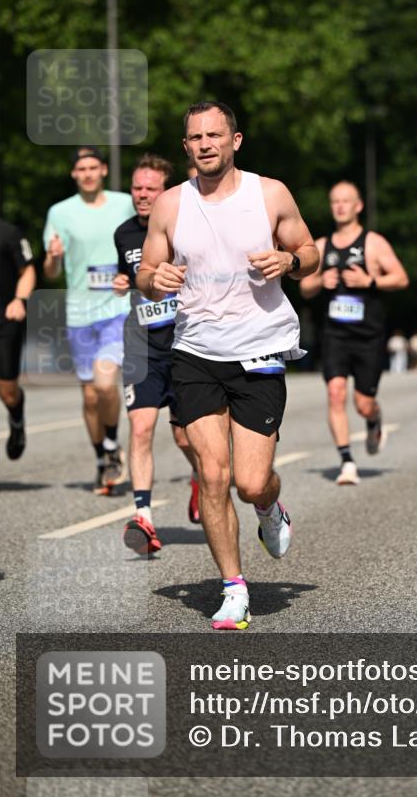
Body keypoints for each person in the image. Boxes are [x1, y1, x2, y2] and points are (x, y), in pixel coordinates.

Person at [136, 101, 318, 630]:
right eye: (196, 137)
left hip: (259, 347)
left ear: (235, 141)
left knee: (250, 480)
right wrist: (155, 279)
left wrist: (289, 260)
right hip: (195, 351)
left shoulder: (270, 194)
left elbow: (310, 251)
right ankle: (234, 588)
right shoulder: (171, 204)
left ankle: (269, 508)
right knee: (210, 475)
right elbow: (148, 269)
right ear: (186, 147)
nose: (206, 144)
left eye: (216, 134)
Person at [113, 155, 200, 554]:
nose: (142, 195)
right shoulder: (124, 234)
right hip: (142, 346)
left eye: (151, 188)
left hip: (184, 345)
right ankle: (143, 516)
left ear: (166, 191)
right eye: (136, 188)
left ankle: (201, 479)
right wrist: (121, 280)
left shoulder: (188, 224)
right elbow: (130, 275)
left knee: (186, 437)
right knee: (142, 428)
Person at [299, 181, 409, 486]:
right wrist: (321, 280)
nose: (340, 206)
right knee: (335, 393)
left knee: (363, 403)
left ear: (358, 206)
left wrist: (369, 281)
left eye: (346, 201)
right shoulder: (321, 246)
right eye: (335, 201)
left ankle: (374, 418)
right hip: (334, 334)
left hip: (369, 336)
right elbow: (304, 288)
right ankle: (347, 460)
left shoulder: (373, 242)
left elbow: (401, 278)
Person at [43, 147, 134, 494]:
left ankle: (111, 445)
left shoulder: (124, 203)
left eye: (93, 167)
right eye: (81, 168)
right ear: (74, 174)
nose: (88, 173)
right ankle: (102, 459)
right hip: (79, 312)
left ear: (103, 170)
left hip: (117, 308)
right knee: (90, 398)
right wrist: (54, 258)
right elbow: (50, 271)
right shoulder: (60, 212)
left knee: (104, 381)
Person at [0, 218, 36, 459]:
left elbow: (28, 270)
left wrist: (20, 300)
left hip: (3, 319)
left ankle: (17, 417)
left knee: (7, 390)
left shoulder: (8, 232)